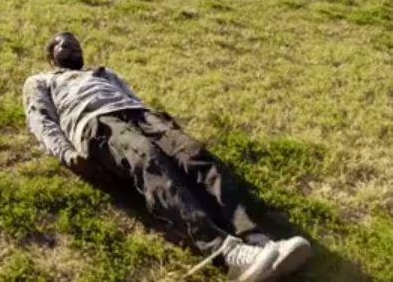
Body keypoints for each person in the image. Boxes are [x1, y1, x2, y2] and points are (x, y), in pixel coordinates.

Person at [22, 31, 311, 282]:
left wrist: (159, 124)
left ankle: (258, 241)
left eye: (77, 45)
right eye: (65, 45)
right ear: (51, 56)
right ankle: (227, 253)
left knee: (196, 156)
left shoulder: (105, 73)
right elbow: (41, 121)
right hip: (94, 123)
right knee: (148, 159)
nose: (74, 49)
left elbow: (133, 97)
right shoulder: (41, 81)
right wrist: (68, 154)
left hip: (141, 115)